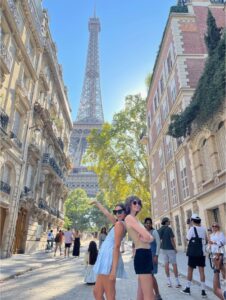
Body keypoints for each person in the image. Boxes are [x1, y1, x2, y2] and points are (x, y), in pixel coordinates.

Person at [90, 199, 127, 300]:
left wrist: (114, 270)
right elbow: (106, 213)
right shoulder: (117, 223)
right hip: (104, 259)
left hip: (108, 260)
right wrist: (97, 203)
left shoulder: (120, 224)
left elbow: (116, 247)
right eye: (115, 212)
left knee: (109, 294)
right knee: (97, 293)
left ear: (125, 212)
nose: (117, 214)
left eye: (120, 211)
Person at [124, 195, 154, 300]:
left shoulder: (135, 219)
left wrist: (149, 238)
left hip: (144, 253)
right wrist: (149, 238)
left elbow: (149, 237)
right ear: (129, 204)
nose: (138, 205)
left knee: (141, 294)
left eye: (139, 203)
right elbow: (148, 236)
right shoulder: (129, 218)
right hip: (142, 254)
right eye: (135, 202)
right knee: (149, 295)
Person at [181, 213, 207, 298]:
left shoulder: (192, 229)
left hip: (193, 253)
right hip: (201, 253)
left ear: (192, 221)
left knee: (190, 270)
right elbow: (205, 240)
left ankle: (188, 288)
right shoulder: (203, 229)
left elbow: (187, 238)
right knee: (202, 271)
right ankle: (203, 291)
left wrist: (189, 227)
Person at [158, 217, 181, 288]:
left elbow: (158, 238)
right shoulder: (169, 229)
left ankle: (168, 281)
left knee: (166, 264)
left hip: (163, 248)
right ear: (166, 222)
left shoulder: (160, 229)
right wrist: (175, 248)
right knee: (174, 264)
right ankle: (177, 282)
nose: (170, 222)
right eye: (169, 221)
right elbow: (172, 239)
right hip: (170, 249)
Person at [144, 217, 162, 300]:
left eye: (149, 223)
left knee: (151, 275)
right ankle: (151, 295)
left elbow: (158, 243)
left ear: (151, 224)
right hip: (145, 256)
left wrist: (156, 255)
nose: (148, 224)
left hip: (152, 255)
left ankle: (157, 295)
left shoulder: (154, 232)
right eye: (146, 223)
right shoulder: (143, 232)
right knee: (147, 276)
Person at [208, 223, 225, 299]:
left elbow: (223, 242)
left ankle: (224, 278)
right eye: (213, 226)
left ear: (218, 227)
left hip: (220, 252)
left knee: (221, 266)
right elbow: (209, 244)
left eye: (215, 226)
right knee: (219, 267)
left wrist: (214, 243)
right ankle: (223, 279)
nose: (214, 227)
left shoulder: (220, 233)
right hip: (213, 252)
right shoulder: (211, 235)